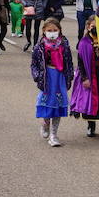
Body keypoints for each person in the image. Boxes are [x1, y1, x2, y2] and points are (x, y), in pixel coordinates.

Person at [30, 17, 73, 146]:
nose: (52, 32)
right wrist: (38, 76)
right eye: (49, 30)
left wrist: (70, 76)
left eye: (55, 30)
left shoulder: (64, 45)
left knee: (58, 106)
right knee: (47, 104)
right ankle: (45, 123)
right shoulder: (39, 46)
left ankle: (54, 135)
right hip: (47, 78)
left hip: (60, 78)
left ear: (60, 30)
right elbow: (34, 65)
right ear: (44, 31)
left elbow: (69, 62)